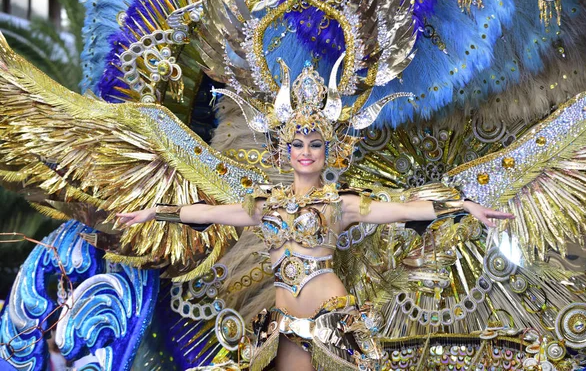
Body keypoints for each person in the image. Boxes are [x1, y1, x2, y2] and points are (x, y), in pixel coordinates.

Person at [117, 100, 513, 370]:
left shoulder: (342, 204)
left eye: (315, 144)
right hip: (283, 320)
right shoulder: (264, 206)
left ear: (329, 151)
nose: (305, 151)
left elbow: (408, 208)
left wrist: (464, 207)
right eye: (297, 144)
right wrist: (155, 212)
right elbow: (206, 212)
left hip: (331, 319)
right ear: (284, 151)